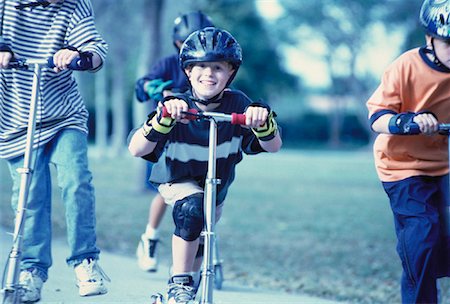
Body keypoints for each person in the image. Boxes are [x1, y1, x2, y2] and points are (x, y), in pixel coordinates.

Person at [128, 27, 282, 304]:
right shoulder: (175, 103)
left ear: (231, 72)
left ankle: (180, 296)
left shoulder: (239, 104)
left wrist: (263, 122)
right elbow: (137, 148)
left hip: (217, 186)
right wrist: (163, 119)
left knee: (199, 236)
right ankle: (179, 281)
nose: (208, 74)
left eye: (217, 68)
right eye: (200, 66)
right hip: (176, 178)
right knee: (191, 209)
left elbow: (273, 146)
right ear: (187, 71)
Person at [0, 0, 109, 302]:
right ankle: (32, 272)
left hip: (64, 115)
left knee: (76, 180)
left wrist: (78, 55)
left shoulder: (72, 5)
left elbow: (95, 50)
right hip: (17, 118)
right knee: (29, 195)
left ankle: (85, 261)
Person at [366, 0, 450, 302]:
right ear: (430, 39)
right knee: (422, 239)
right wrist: (410, 121)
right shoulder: (406, 66)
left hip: (442, 166)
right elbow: (378, 119)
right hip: (401, 167)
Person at [134, 11, 214, 273]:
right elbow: (142, 85)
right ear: (176, 43)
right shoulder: (169, 64)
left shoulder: (210, 70)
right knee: (168, 189)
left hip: (202, 139)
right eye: (184, 43)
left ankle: (198, 255)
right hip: (172, 137)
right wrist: (158, 90)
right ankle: (150, 237)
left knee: (208, 192)